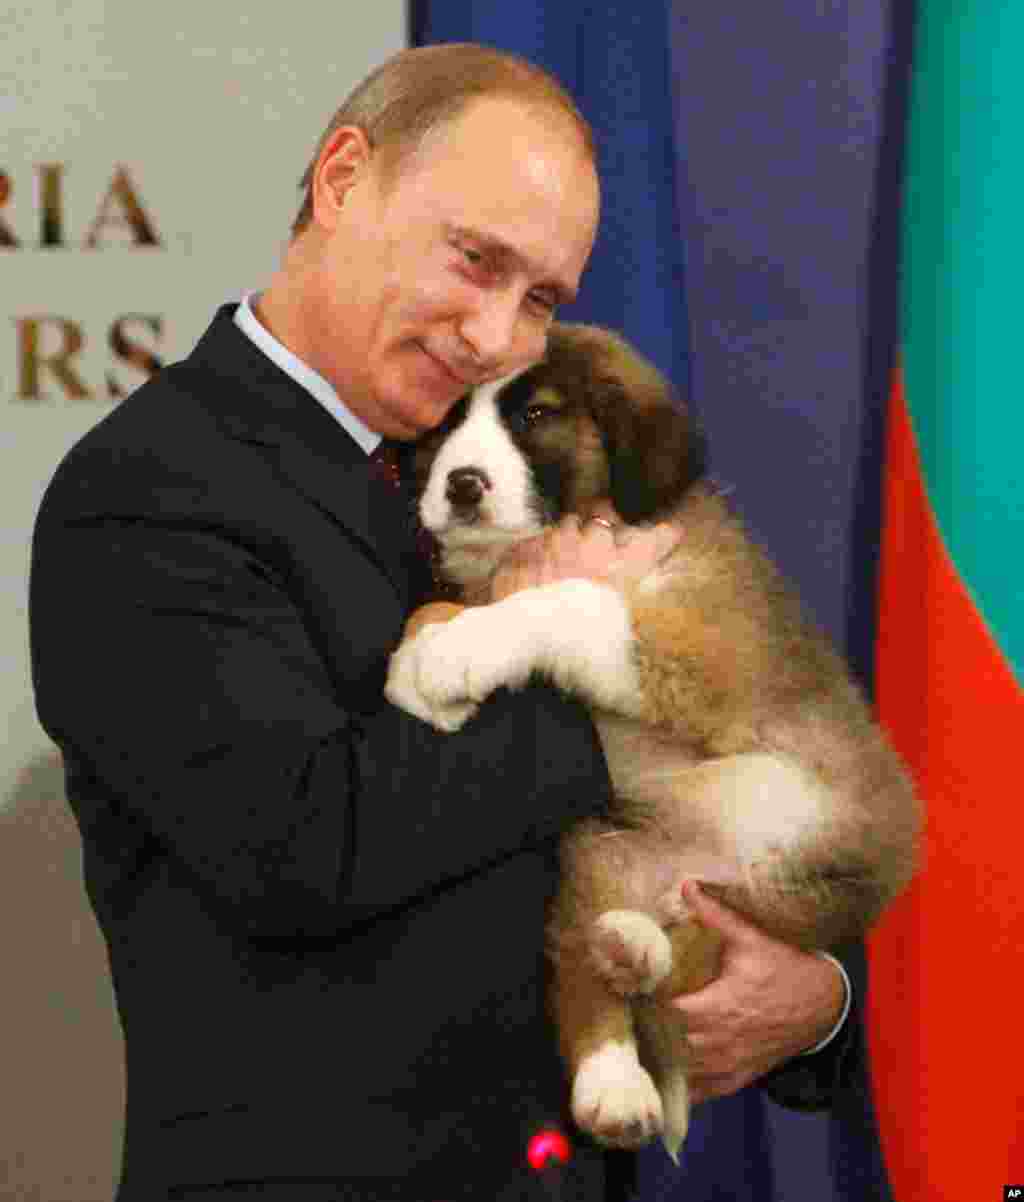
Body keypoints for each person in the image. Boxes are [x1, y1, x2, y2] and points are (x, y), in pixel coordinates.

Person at [29, 44, 858, 1202]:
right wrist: (600, 676)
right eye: (474, 261)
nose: (493, 332)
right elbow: (302, 844)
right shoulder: (147, 488)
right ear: (340, 179)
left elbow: (754, 769)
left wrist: (814, 998)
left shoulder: (517, 466)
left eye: (540, 300)